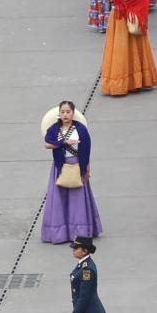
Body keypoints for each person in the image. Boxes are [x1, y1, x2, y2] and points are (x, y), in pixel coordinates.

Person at [98, 0, 157, 98]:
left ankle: (137, 81)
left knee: (136, 47)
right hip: (118, 17)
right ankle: (120, 82)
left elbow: (142, 1)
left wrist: (138, 16)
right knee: (119, 48)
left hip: (133, 17)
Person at [42, 103, 103, 247]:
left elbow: (86, 151)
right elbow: (47, 144)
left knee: (78, 200)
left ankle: (79, 232)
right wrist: (63, 142)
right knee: (59, 199)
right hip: (61, 167)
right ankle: (60, 232)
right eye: (62, 112)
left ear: (73, 113)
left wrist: (87, 170)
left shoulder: (80, 129)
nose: (65, 114)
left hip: (77, 166)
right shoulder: (54, 128)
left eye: (68, 111)